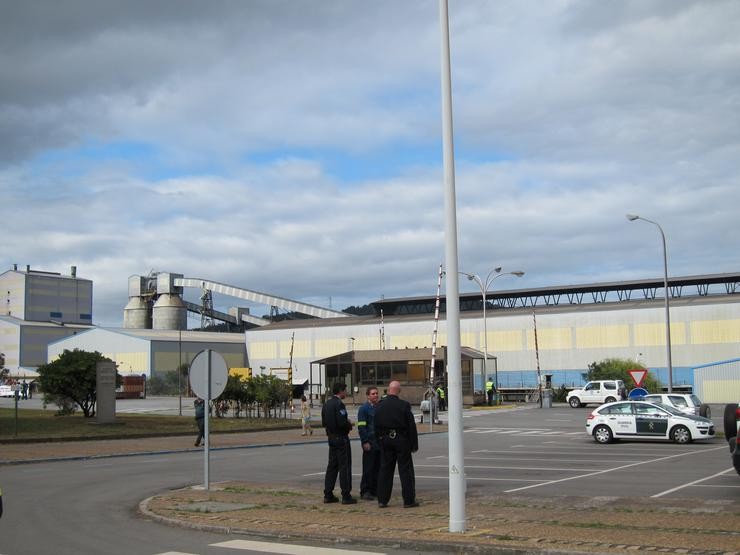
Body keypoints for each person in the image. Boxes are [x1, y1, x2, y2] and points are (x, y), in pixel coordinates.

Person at [374, 380, 419, 508]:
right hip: (401, 439)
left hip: (385, 439)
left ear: (389, 390)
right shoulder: (404, 405)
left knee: (385, 470)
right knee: (405, 470)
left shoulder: (379, 405)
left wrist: (379, 440)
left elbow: (375, 425)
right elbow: (411, 426)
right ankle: (409, 500)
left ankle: (382, 500)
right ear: (398, 391)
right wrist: (413, 444)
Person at [321, 382, 356, 504]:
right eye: (345, 390)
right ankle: (346, 495)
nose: (346, 392)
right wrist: (349, 425)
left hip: (331, 437)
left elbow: (324, 422)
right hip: (341, 438)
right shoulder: (339, 404)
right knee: (344, 466)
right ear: (340, 391)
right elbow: (341, 423)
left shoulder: (326, 404)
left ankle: (328, 493)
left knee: (332, 466)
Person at [357, 386, 380, 500]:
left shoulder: (379, 407)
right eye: (373, 394)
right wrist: (364, 441)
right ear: (368, 396)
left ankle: (374, 490)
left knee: (377, 468)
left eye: (376, 393)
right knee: (368, 468)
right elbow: (361, 427)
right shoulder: (363, 409)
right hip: (369, 442)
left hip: (378, 443)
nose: (375, 395)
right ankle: (365, 491)